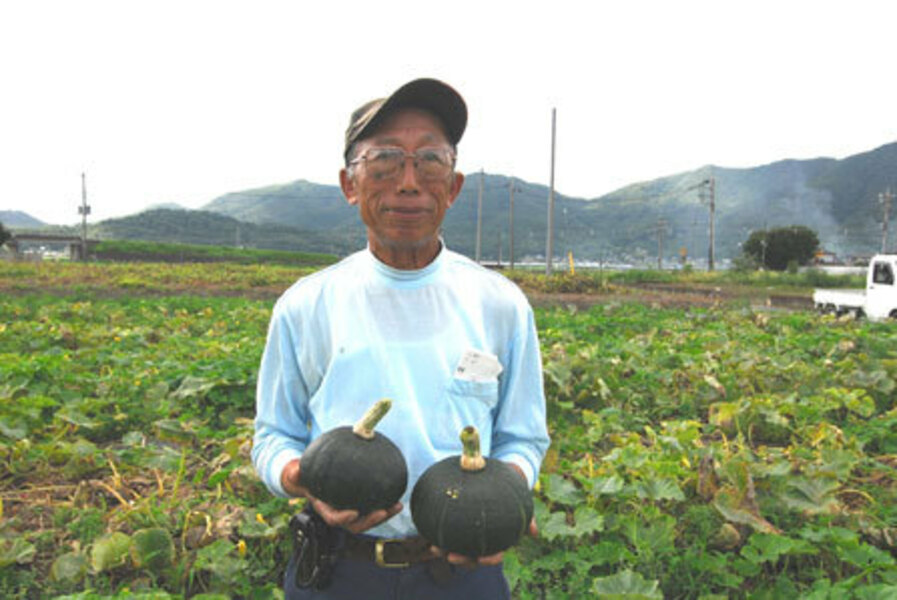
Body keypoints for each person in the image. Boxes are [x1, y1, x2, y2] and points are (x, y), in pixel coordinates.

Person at [252, 77, 550, 599]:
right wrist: (300, 476)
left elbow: (523, 438)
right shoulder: (306, 305)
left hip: (462, 572)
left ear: (453, 187)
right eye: (385, 161)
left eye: (430, 161)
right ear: (349, 184)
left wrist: (500, 500)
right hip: (336, 568)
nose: (409, 183)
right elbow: (272, 435)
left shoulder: (500, 304)